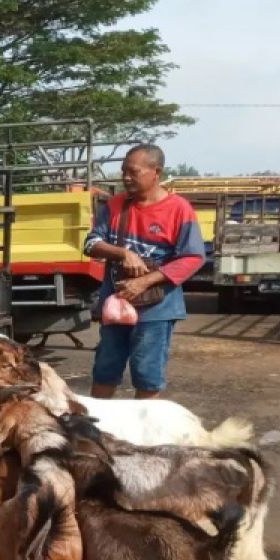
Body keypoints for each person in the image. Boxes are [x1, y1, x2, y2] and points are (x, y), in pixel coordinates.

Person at [84, 143, 205, 400]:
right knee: (105, 367)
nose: (126, 177)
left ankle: (144, 436)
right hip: (116, 305)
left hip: (156, 307)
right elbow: (90, 244)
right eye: (123, 171)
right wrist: (122, 253)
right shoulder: (115, 205)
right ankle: (95, 430)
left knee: (147, 371)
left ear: (156, 172)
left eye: (133, 172)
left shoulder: (178, 209)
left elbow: (193, 256)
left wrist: (145, 281)